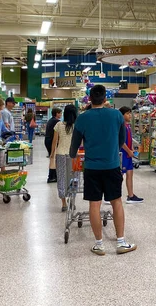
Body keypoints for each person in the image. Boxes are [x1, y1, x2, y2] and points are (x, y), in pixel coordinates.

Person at [69, 85, 137, 256]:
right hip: (112, 165)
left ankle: (99, 244)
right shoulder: (116, 115)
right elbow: (122, 139)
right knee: (116, 202)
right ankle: (121, 242)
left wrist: (74, 154)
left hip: (92, 168)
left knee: (94, 204)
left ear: (90, 99)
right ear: (105, 99)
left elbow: (73, 147)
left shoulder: (82, 119)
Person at [50, 105, 77, 212]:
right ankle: (72, 200)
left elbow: (54, 141)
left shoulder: (59, 125)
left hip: (60, 154)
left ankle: (64, 203)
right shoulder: (77, 126)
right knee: (74, 177)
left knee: (61, 177)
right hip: (74, 155)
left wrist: (52, 154)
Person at [119, 106, 143, 204]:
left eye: (130, 113)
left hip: (128, 154)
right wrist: (128, 151)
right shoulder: (121, 126)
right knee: (119, 176)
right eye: (127, 113)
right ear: (122, 115)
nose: (130, 115)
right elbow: (121, 142)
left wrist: (132, 148)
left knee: (130, 174)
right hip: (123, 154)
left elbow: (129, 139)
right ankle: (112, 196)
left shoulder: (128, 126)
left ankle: (131, 195)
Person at [46, 107, 62, 182]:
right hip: (52, 141)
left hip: (47, 140)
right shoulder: (57, 122)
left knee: (52, 158)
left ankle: (53, 176)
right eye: (60, 113)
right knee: (54, 159)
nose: (61, 114)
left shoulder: (50, 120)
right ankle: (52, 177)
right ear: (56, 114)